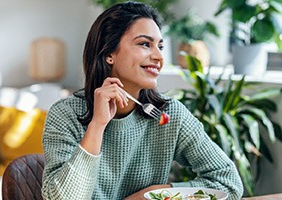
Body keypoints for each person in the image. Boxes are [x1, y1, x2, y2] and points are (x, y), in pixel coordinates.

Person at [41, 2, 244, 200]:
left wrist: (156, 193)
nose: (158, 57)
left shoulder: (169, 114)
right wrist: (97, 124)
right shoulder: (66, 114)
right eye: (145, 44)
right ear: (109, 53)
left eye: (160, 46)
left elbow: (229, 182)